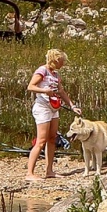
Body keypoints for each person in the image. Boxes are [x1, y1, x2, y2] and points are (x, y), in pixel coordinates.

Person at [26, 48, 77, 181]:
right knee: (41, 140)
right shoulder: (42, 71)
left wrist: (72, 106)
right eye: (61, 61)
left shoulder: (56, 75)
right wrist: (44, 90)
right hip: (42, 108)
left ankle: (49, 171)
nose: (63, 64)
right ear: (55, 60)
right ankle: (29, 173)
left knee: (52, 138)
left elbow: (61, 92)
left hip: (54, 108)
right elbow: (30, 87)